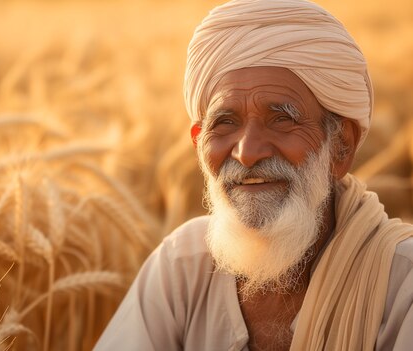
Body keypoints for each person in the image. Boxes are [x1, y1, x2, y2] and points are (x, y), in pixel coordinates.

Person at [94, 0, 413, 350]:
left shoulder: (402, 284)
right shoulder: (182, 266)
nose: (246, 152)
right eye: (225, 122)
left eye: (282, 119)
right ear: (199, 144)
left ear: (341, 146)